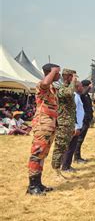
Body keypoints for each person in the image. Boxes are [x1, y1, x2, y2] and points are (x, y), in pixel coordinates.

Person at [26, 63, 60, 195]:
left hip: (50, 125)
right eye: (57, 72)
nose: (59, 75)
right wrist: (52, 72)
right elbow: (45, 83)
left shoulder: (52, 88)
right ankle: (32, 186)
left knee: (42, 155)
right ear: (50, 72)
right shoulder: (42, 84)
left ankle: (38, 184)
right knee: (37, 154)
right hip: (42, 124)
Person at [51, 69, 77, 179]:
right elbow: (69, 93)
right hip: (63, 123)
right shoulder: (61, 88)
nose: (75, 80)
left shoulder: (67, 88)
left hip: (68, 123)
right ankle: (56, 171)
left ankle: (59, 169)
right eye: (73, 77)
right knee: (60, 146)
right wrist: (73, 82)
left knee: (64, 146)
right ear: (68, 77)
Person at [61, 81, 84, 172]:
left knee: (71, 146)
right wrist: (76, 126)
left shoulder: (77, 96)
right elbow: (72, 113)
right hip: (74, 125)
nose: (82, 88)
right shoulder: (74, 97)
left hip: (76, 124)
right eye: (81, 86)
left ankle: (66, 164)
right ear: (77, 87)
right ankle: (65, 166)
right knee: (70, 147)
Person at [74, 80, 93, 163]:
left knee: (81, 139)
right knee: (79, 139)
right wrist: (89, 87)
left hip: (87, 119)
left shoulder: (87, 95)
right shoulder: (81, 95)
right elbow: (82, 94)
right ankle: (76, 157)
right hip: (82, 120)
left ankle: (78, 156)